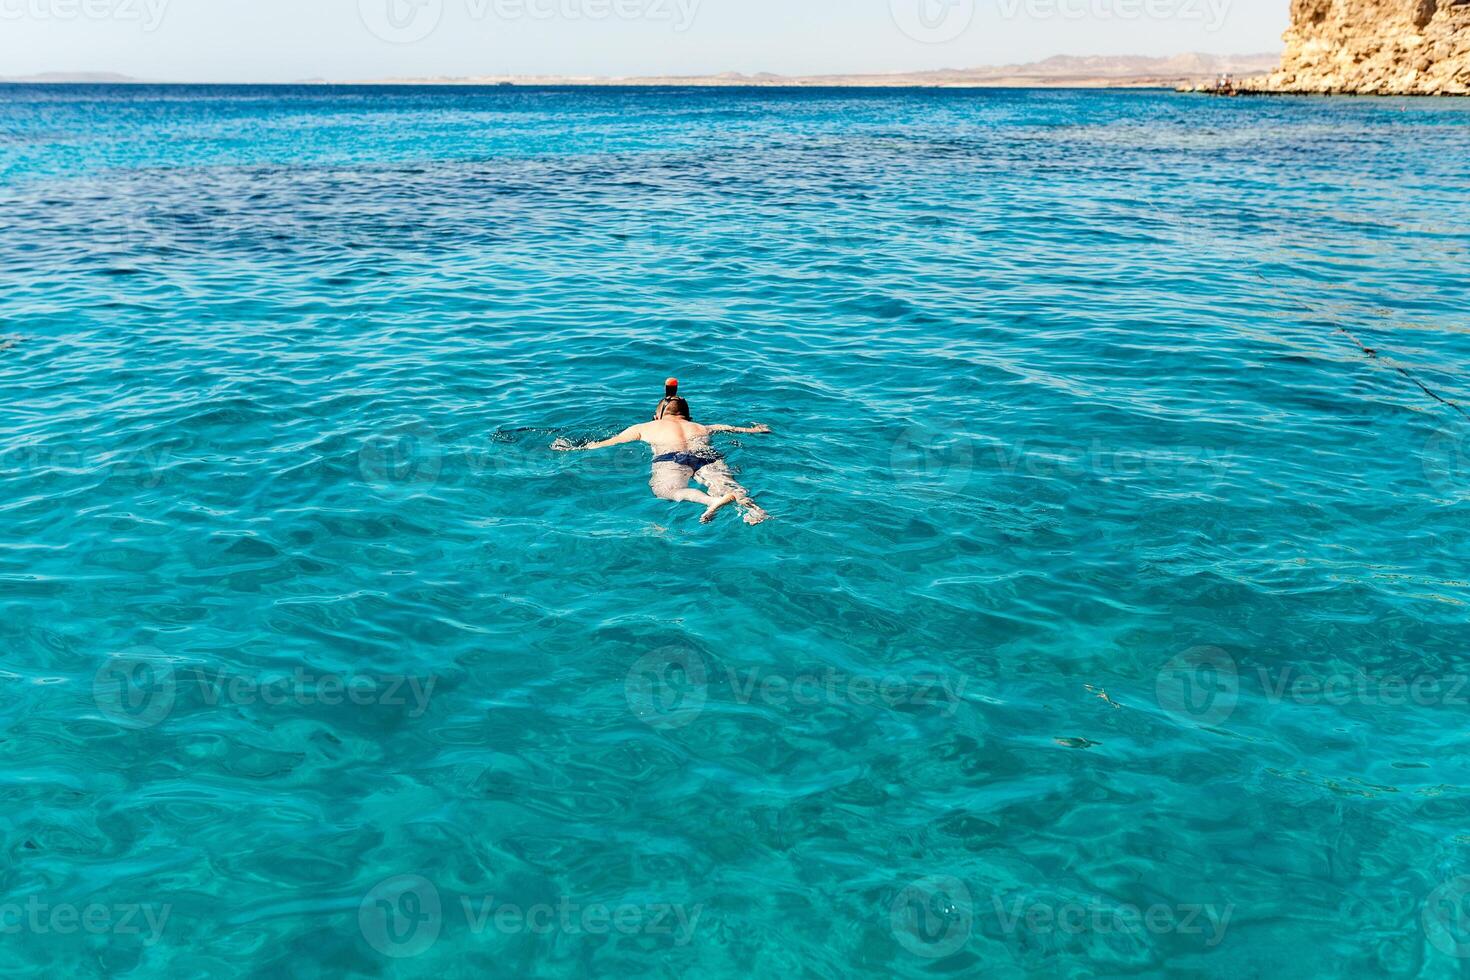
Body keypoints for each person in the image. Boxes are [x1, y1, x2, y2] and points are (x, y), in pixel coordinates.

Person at [553, 379, 772, 525]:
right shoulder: (703, 427)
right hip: (707, 457)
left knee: (668, 490)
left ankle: (709, 502)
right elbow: (733, 429)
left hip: (671, 458)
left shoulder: (644, 427)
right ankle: (755, 510)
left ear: (656, 416)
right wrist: (756, 429)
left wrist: (576, 448)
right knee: (729, 485)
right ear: (688, 417)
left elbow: (609, 442)